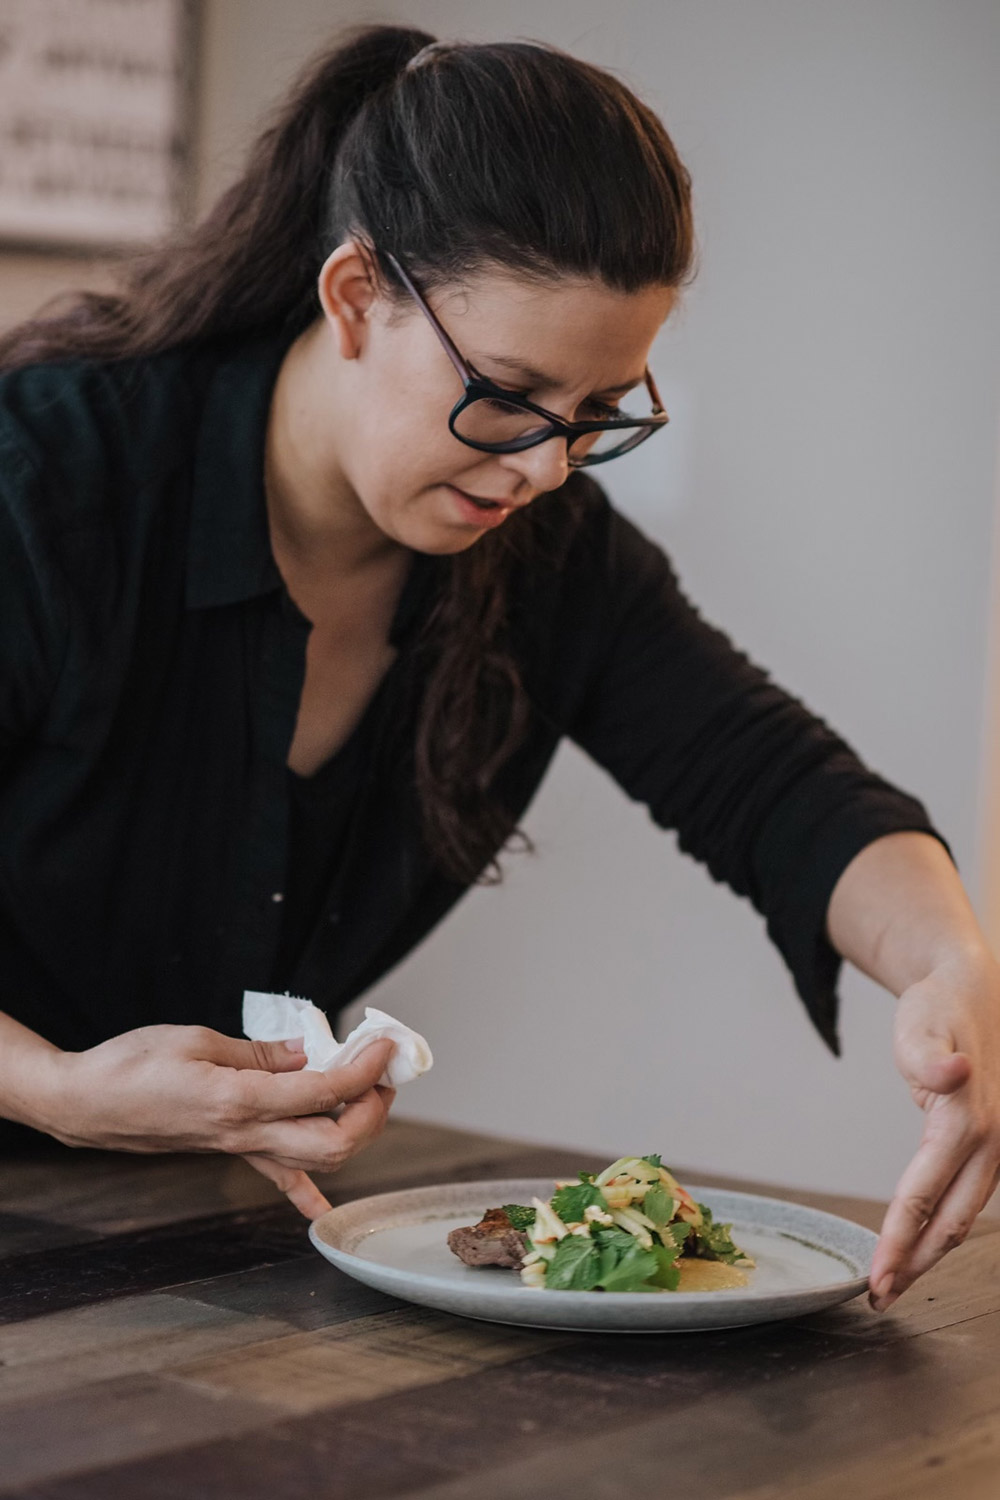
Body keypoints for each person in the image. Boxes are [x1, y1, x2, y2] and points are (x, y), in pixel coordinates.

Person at [0, 26, 997, 1315]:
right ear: (356, 296)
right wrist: (53, 1093)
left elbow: (777, 786)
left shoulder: (545, 554)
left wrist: (954, 970)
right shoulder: (51, 481)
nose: (543, 468)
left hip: (192, 1249)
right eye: (511, 396)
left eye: (599, 414)